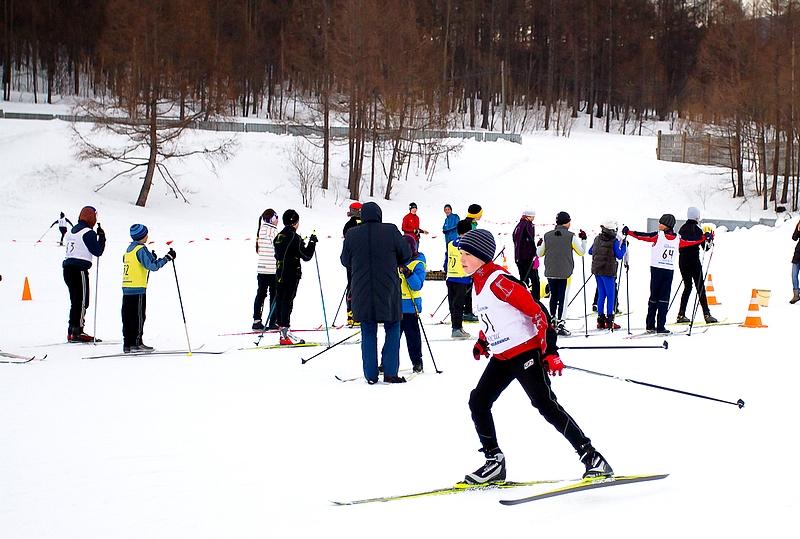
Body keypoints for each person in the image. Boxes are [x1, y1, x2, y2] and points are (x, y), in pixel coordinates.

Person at [458, 228, 613, 484]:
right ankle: (494, 461)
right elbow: (494, 316)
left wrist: (550, 351)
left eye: (467, 254)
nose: (462, 259)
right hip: (503, 356)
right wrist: (483, 341)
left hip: (525, 352)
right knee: (479, 401)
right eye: (461, 254)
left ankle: (592, 457)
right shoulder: (478, 281)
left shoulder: (500, 281)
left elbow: (539, 313)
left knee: (545, 404)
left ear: (482, 256)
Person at [341, 201, 412, 384]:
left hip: (361, 288)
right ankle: (390, 372)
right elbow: (406, 254)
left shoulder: (352, 234)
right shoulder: (391, 230)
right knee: (393, 326)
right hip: (388, 288)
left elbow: (344, 260)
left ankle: (371, 375)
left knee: (368, 329)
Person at [623, 214, 709, 334]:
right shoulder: (675, 238)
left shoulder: (662, 236)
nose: (659, 225)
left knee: (657, 298)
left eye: (661, 223)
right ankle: (657, 326)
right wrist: (704, 237)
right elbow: (692, 240)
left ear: (667, 225)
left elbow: (643, 236)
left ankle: (654, 325)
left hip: (662, 270)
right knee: (661, 298)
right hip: (663, 270)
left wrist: (628, 232)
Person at [122, 224, 176, 353]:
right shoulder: (141, 248)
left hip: (127, 287)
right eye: (146, 234)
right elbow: (153, 266)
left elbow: (137, 262)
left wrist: (151, 257)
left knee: (128, 317)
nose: (147, 236)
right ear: (142, 236)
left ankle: (128, 343)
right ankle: (136, 344)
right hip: (137, 288)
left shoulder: (129, 249)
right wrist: (167, 258)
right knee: (138, 316)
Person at [536, 211, 587, 335]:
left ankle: (552, 320)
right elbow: (581, 252)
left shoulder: (547, 235)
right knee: (563, 297)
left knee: (553, 296)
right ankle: (561, 322)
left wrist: (538, 245)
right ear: (567, 222)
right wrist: (584, 240)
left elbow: (540, 253)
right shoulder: (571, 236)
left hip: (550, 271)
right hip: (565, 272)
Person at [62, 206, 106, 342]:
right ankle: (78, 331)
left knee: (75, 301)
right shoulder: (87, 232)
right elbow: (97, 251)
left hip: (67, 268)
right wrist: (102, 238)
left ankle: (72, 330)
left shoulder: (71, 231)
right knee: (82, 301)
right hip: (79, 269)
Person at [274, 209, 317, 345]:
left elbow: (280, 253)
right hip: (291, 274)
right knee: (287, 302)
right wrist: (312, 243)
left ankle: (282, 331)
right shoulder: (294, 238)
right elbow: (306, 255)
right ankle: (284, 334)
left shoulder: (279, 236)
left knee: (281, 301)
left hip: (279, 273)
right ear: (295, 223)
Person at [676, 207, 718, 324]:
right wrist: (710, 239)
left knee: (687, 286)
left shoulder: (682, 228)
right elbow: (705, 247)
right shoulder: (698, 229)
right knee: (700, 287)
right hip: (693, 260)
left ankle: (681, 314)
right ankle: (707, 314)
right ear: (697, 217)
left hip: (682, 260)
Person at [588, 218, 627, 329]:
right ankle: (610, 320)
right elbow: (619, 255)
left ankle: (600, 319)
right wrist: (624, 246)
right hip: (608, 271)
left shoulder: (597, 238)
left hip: (597, 270)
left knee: (601, 294)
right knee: (611, 295)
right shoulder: (614, 241)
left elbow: (590, 251)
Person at [399, 234, 426, 373]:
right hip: (395, 307)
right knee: (392, 338)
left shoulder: (417, 263)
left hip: (410, 307)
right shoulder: (395, 261)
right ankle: (386, 362)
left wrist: (408, 273)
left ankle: (417, 362)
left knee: (413, 338)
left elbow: (417, 285)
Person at [447, 220, 474, 339]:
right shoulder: (468, 245)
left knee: (453, 304)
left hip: (451, 277)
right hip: (462, 278)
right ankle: (456, 328)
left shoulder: (450, 244)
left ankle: (456, 326)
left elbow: (446, 260)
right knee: (459, 304)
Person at [253, 208, 279, 331]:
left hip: (261, 268)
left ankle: (256, 320)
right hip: (272, 268)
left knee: (261, 294)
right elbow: (277, 247)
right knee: (274, 294)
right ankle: (273, 321)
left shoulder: (261, 230)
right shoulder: (273, 231)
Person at [512, 207, 540, 299]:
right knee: (535, 280)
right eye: (533, 216)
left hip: (518, 257)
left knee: (523, 281)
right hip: (527, 257)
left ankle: (523, 299)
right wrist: (534, 254)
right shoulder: (528, 225)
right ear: (529, 216)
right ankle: (536, 301)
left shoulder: (518, 225)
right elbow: (530, 240)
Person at [343, 202, 362, 326]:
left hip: (352, 261)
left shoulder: (348, 225)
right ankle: (353, 313)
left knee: (352, 286)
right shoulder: (352, 225)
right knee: (355, 286)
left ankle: (352, 313)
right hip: (357, 261)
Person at [442, 204, 460, 271]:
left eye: (448, 209)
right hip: (447, 239)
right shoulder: (446, 219)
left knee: (455, 253)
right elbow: (444, 228)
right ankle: (447, 268)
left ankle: (456, 268)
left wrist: (447, 230)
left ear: (451, 210)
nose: (447, 211)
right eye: (446, 210)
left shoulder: (455, 217)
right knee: (448, 253)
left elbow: (457, 225)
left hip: (454, 238)